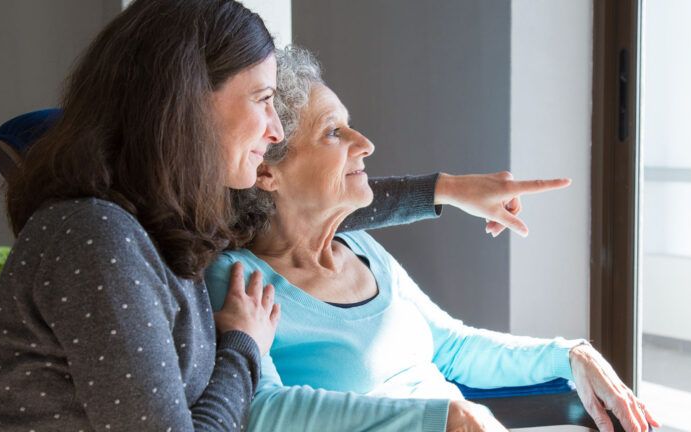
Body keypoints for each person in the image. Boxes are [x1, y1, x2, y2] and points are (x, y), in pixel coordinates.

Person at [0, 1, 572, 431]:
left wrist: (448, 191)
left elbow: (306, 199)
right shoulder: (97, 237)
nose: (276, 130)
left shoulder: (167, 224)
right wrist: (243, 347)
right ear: (186, 104)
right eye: (261, 101)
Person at [205, 46, 662, 432]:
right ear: (267, 171)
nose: (364, 143)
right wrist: (439, 418)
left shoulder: (362, 248)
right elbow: (264, 409)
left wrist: (569, 354)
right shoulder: (238, 279)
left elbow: (453, 347)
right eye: (332, 132)